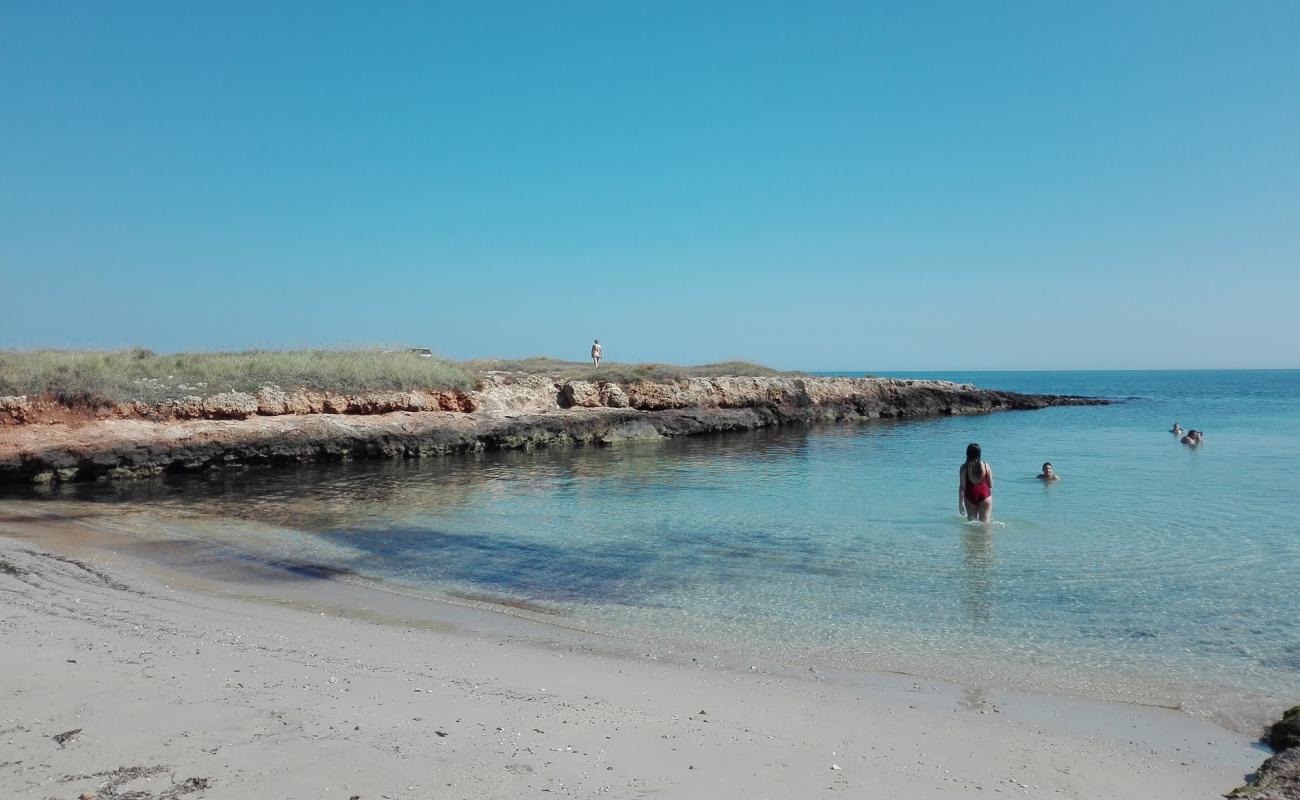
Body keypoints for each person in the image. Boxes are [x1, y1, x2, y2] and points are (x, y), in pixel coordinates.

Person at [958, 443, 994, 524]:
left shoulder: (964, 468)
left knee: (972, 524)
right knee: (985, 525)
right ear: (979, 453)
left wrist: (961, 504)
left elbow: (962, 488)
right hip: (985, 495)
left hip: (971, 496)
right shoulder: (986, 465)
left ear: (967, 454)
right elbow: (991, 484)